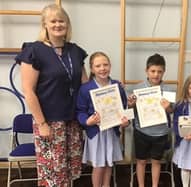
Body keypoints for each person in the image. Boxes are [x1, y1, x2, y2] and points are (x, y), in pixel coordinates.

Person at [17, 4, 88, 187]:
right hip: (48, 122)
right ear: (45, 25)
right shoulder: (33, 51)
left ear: (67, 24)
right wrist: (41, 123)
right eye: (53, 21)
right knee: (52, 175)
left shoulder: (76, 51)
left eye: (61, 21)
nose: (58, 24)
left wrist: (110, 91)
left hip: (73, 121)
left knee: (70, 172)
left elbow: (86, 87)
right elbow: (28, 91)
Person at [76, 51, 129, 187]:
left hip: (112, 132)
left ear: (110, 66)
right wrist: (88, 121)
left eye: (105, 64)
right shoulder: (85, 89)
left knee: (108, 164)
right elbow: (80, 111)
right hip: (96, 133)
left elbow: (123, 108)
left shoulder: (117, 86)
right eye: (98, 66)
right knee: (99, 166)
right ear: (92, 69)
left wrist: (125, 122)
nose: (102, 68)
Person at [127, 53, 173, 187]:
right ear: (146, 71)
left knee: (156, 162)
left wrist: (168, 107)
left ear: (164, 72)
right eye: (153, 71)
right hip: (142, 131)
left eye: (159, 71)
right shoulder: (138, 88)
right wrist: (131, 104)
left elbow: (171, 111)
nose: (156, 74)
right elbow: (131, 110)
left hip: (161, 133)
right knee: (141, 161)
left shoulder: (168, 89)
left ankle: (154, 185)